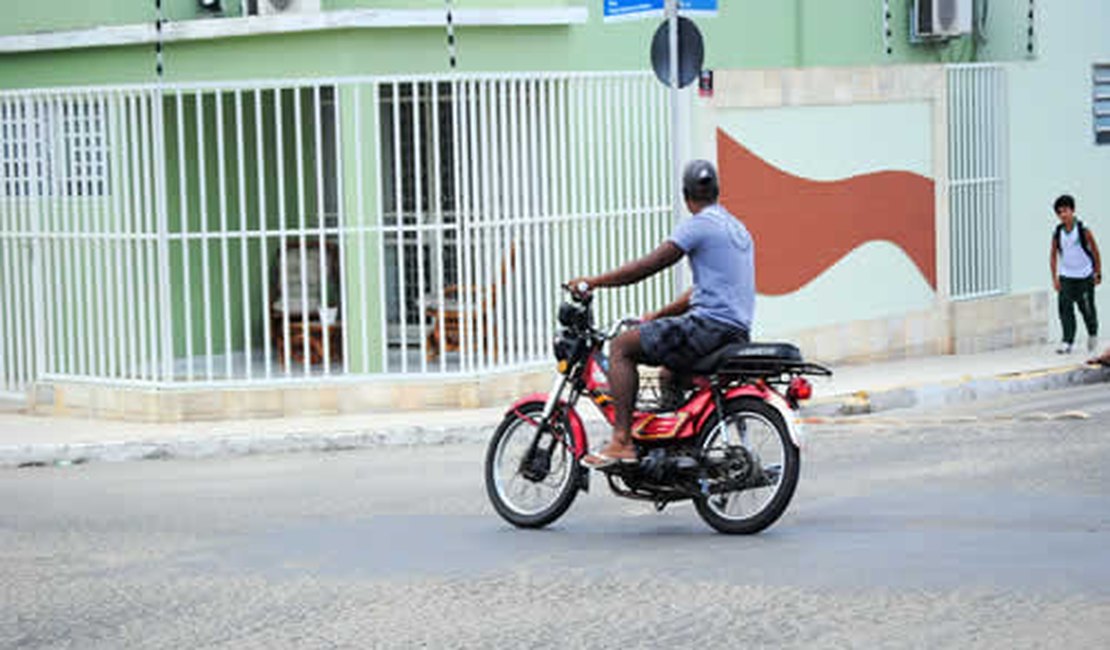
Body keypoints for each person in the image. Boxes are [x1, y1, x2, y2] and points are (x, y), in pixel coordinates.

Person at [567, 159, 755, 468]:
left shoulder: (699, 225)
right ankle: (678, 449)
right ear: (717, 191)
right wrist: (658, 315)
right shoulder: (737, 228)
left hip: (708, 327)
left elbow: (649, 265)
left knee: (622, 347)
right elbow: (704, 291)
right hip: (734, 331)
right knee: (670, 371)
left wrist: (594, 282)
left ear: (685, 195)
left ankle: (622, 441)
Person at [1050, 194, 1101, 354]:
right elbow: (1053, 255)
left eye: (1065, 210)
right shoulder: (1058, 232)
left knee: (1087, 309)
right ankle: (1067, 341)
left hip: (1085, 277)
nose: (1063, 215)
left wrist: (1098, 272)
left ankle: (1092, 333)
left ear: (1072, 210)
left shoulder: (1083, 230)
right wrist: (1055, 278)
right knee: (1064, 308)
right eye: (1059, 212)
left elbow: (1095, 250)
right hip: (1066, 277)